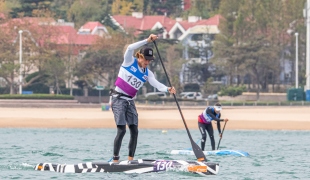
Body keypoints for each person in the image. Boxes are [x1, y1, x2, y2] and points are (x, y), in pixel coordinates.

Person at [110, 34, 176, 162]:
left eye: (150, 60)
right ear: (140, 57)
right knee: (122, 130)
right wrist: (147, 41)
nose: (147, 62)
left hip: (130, 101)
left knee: (134, 131)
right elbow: (129, 48)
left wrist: (167, 89)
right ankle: (115, 160)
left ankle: (130, 160)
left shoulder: (148, 73)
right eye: (146, 59)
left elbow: (156, 84)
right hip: (118, 99)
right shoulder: (129, 62)